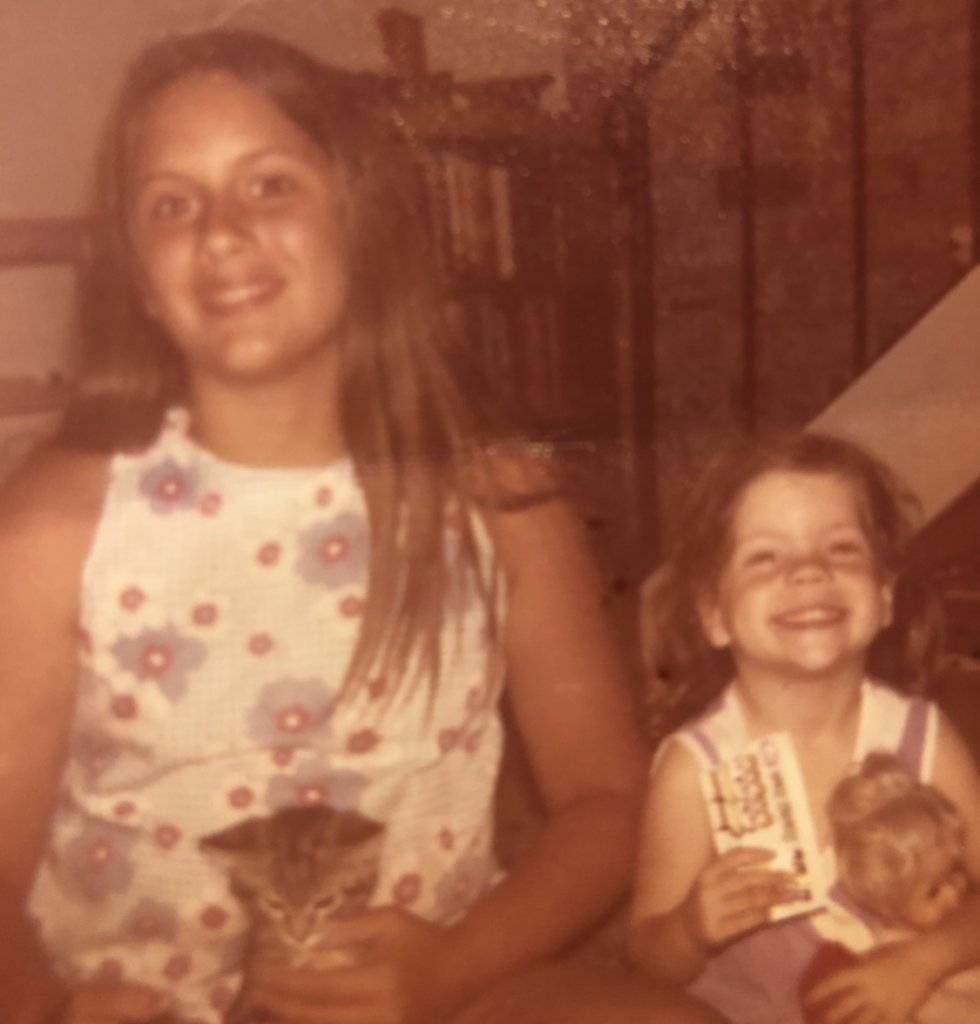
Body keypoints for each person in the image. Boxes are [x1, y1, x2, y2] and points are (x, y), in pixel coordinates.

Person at [0, 27, 721, 1024]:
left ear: (359, 221)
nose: (221, 232)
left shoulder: (496, 500)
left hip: (440, 985)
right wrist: (48, 1010)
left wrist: (456, 967)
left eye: (269, 186)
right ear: (137, 277)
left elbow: (606, 801)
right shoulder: (61, 526)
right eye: (172, 204)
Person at [627, 432, 980, 1024]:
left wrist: (922, 962)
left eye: (841, 548)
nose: (810, 570)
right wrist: (688, 929)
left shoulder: (924, 737)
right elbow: (647, 958)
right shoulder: (695, 768)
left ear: (885, 595)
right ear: (713, 613)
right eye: (765, 557)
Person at [804, 750, 980, 1023]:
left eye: (955, 871)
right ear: (889, 906)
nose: (955, 891)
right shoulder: (889, 966)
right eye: (933, 891)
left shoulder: (956, 926)